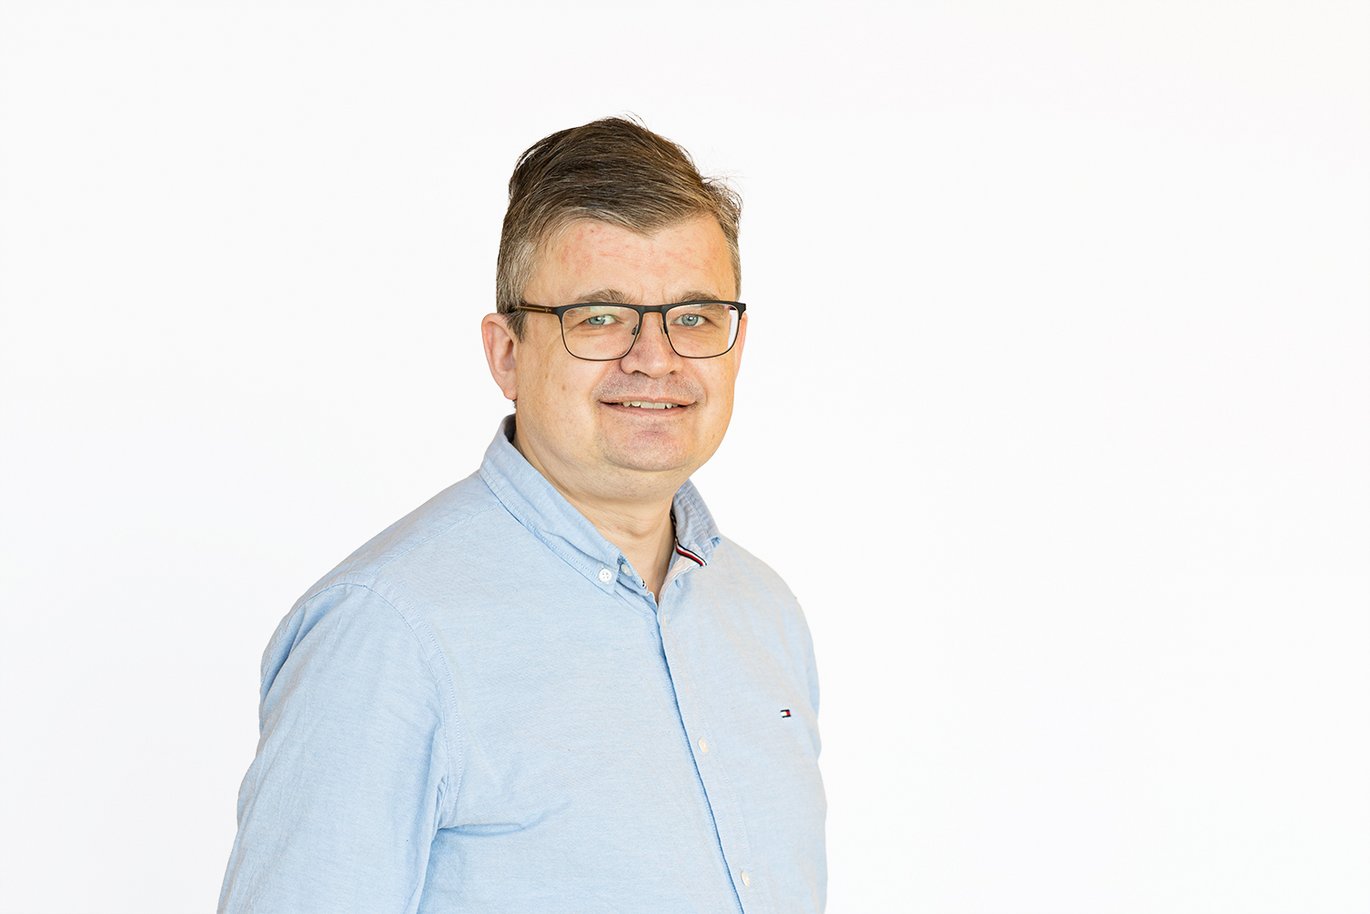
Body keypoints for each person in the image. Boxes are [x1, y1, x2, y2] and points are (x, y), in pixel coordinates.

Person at [218, 117, 825, 914]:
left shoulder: (761, 611)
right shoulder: (387, 633)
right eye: (600, 317)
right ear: (507, 353)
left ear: (736, 346)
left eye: (694, 316)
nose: (655, 357)